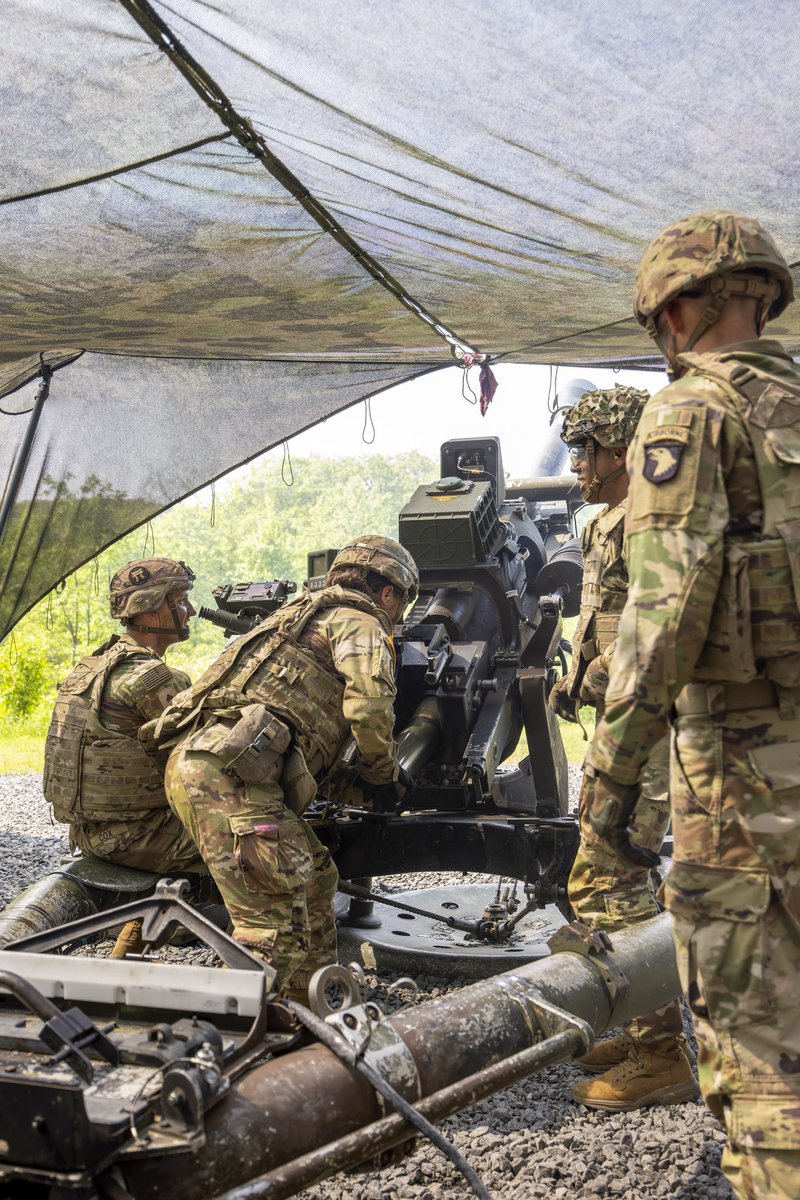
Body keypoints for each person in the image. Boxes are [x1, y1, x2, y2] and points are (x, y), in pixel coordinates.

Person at [585, 211, 800, 1198]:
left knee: (757, 1046)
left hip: (741, 780)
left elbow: (662, 617)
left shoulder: (686, 415)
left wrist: (606, 792)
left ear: (676, 309)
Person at [151, 535, 418, 1001]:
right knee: (271, 920)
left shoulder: (294, 617)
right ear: (389, 593)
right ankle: (245, 1037)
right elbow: (371, 708)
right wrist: (383, 773)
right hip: (228, 778)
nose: (398, 616)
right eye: (403, 604)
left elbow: (304, 728)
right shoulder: (360, 622)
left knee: (315, 878)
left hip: (214, 767)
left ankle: (303, 1009)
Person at [549, 387, 699, 1111]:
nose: (577, 463)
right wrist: (573, 679)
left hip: (642, 727)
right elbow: (605, 617)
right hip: (615, 721)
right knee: (618, 878)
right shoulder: (605, 522)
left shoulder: (650, 521)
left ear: (622, 449)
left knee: (611, 881)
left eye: (587, 448)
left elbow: (654, 633)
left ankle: (660, 1057)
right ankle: (643, 1025)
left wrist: (605, 680)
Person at [44, 557, 205, 957]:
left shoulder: (93, 666)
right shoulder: (150, 678)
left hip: (89, 832)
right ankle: (264, 956)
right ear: (151, 611)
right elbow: (208, 755)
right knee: (261, 843)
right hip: (136, 838)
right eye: (180, 600)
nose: (190, 610)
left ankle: (131, 948)